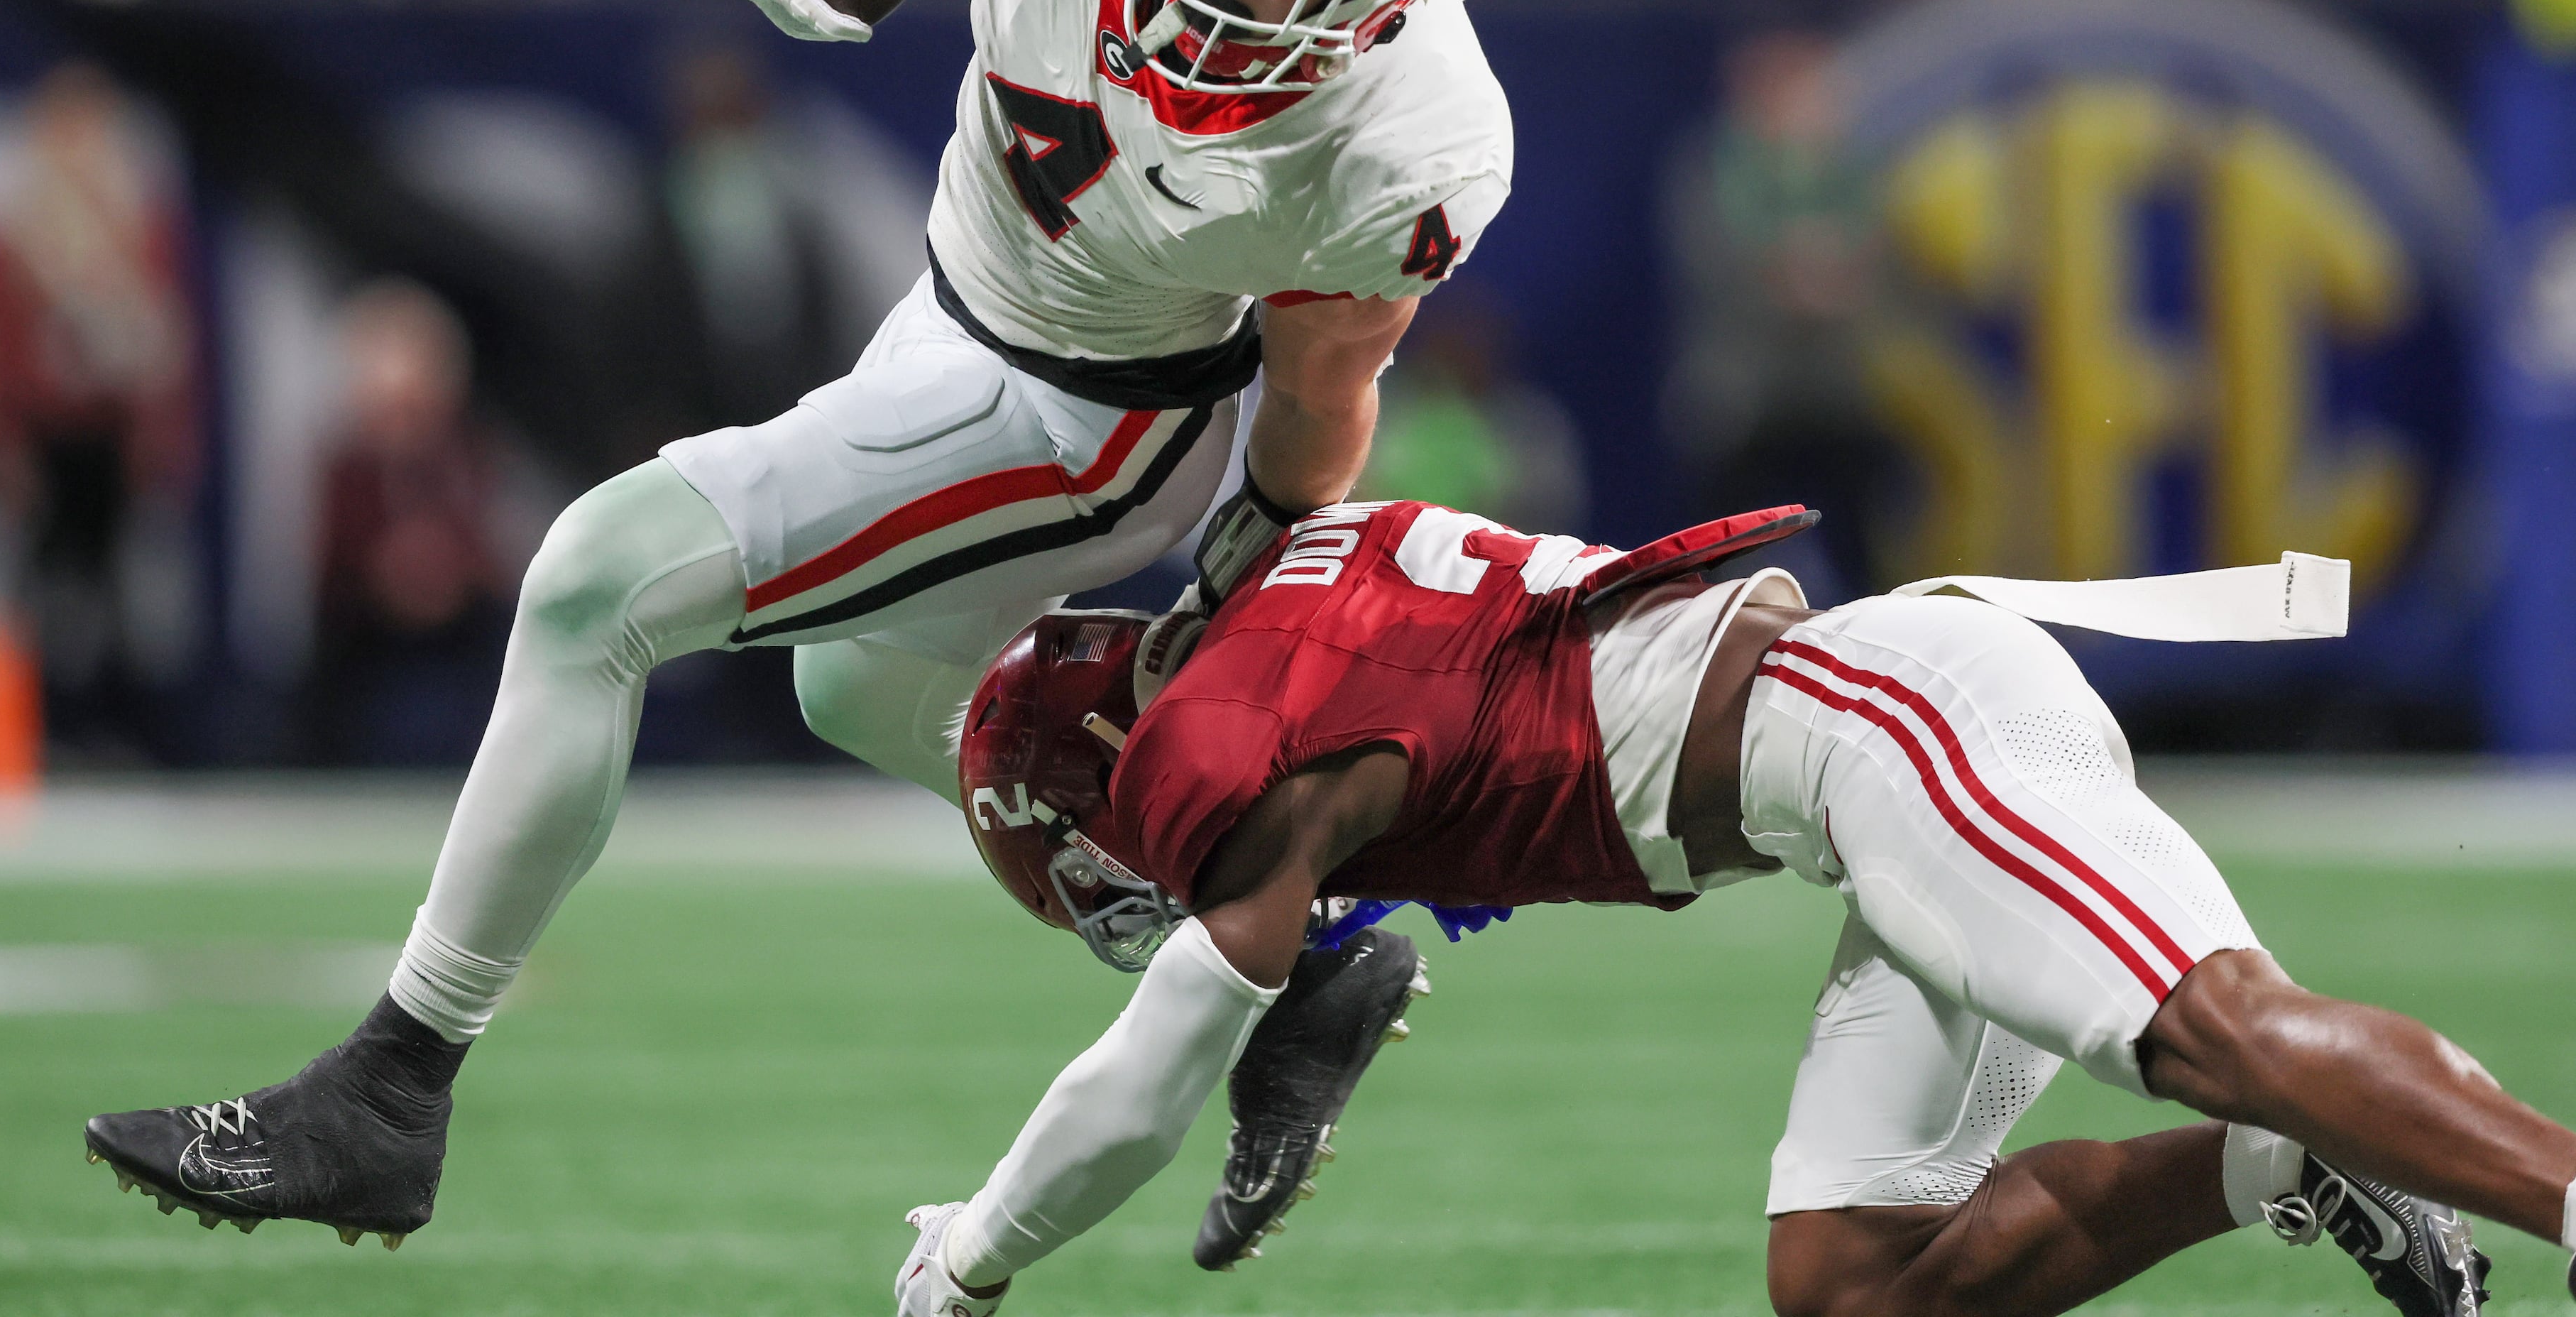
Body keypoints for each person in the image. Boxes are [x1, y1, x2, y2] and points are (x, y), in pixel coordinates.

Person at [82, 0, 1514, 1247]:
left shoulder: (1412, 147)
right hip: (957, 303)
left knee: (599, 583)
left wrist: (1247, 576)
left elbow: (1319, 391)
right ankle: (1286, 954)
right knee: (859, 693)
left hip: (1100, 412)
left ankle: (388, 1091)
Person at [902, 498, 2576, 1316]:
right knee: (1845, 1284)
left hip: (1895, 728)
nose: (1126, 879)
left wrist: (969, 1261)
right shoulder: (1275, 602)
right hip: (1862, 780)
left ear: (1100, 767)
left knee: (2214, 1026)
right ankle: (2289, 1167)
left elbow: (1150, 1076)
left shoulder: (1210, 755)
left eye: (1088, 852)